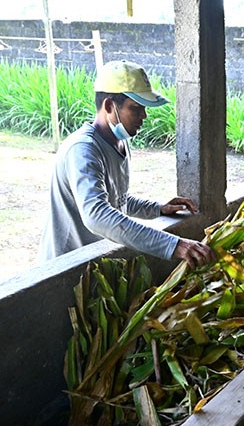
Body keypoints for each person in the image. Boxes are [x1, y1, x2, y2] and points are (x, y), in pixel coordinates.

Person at [38, 60, 215, 269]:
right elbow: (97, 215)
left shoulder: (120, 142)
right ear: (109, 106)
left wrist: (157, 209)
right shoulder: (83, 150)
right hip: (65, 266)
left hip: (94, 263)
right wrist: (175, 245)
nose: (144, 116)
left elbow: (117, 199)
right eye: (136, 108)